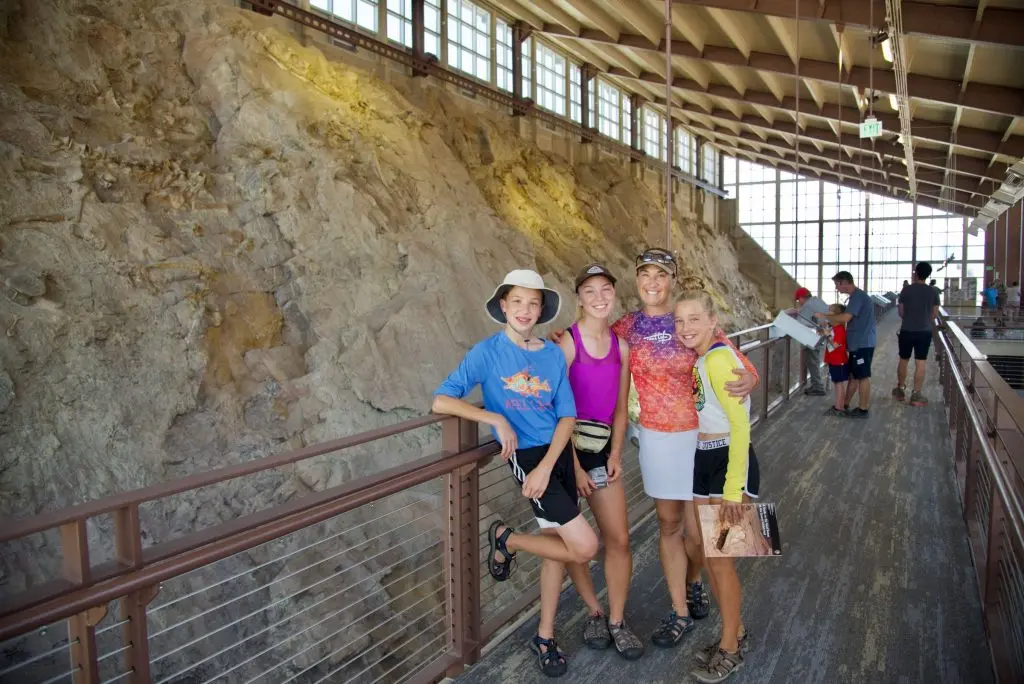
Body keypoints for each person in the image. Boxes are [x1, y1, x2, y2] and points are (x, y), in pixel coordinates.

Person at [550, 248, 758, 649]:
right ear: (637, 279)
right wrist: (556, 341)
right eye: (645, 274)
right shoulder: (627, 326)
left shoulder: (692, 318)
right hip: (658, 438)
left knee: (706, 539)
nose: (651, 282)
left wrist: (750, 378)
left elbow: (736, 361)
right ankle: (681, 608)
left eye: (660, 275)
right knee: (669, 526)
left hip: (704, 439)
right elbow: (593, 340)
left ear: (671, 280)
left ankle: (708, 595)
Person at [432, 269, 599, 678]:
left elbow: (566, 416)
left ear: (541, 309)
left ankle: (544, 635)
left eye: (533, 302)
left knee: (555, 547)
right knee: (585, 546)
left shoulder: (551, 354)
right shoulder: (486, 354)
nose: (525, 310)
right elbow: (441, 400)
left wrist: (555, 465)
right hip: (526, 457)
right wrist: (492, 416)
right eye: (517, 301)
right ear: (503, 306)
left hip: (556, 455)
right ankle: (508, 539)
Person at [556, 263, 644, 660]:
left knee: (619, 539)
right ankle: (594, 609)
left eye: (605, 289)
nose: (598, 298)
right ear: (579, 298)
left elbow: (622, 409)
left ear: (614, 294)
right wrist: (574, 466)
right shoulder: (568, 343)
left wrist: (615, 455)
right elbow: (557, 408)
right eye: (589, 291)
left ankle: (617, 619)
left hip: (602, 449)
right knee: (574, 542)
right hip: (567, 451)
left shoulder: (621, 347)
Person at [674, 289, 760, 683]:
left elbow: (741, 424)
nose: (685, 327)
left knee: (721, 561)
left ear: (713, 322)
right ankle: (734, 630)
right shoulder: (705, 357)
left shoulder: (721, 357)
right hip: (704, 458)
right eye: (680, 321)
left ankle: (731, 646)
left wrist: (733, 490)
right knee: (703, 551)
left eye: (694, 319)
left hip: (729, 462)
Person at [815, 271, 876, 418]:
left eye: (837, 284)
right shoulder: (855, 297)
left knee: (863, 376)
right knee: (855, 375)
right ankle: (843, 404)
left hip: (863, 343)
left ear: (844, 282)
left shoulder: (857, 297)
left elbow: (846, 317)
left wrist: (824, 316)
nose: (837, 288)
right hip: (858, 343)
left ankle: (863, 408)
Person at [893, 262, 940, 407]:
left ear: (916, 273)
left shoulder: (906, 290)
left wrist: (909, 318)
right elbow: (934, 314)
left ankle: (900, 390)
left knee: (904, 359)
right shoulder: (933, 292)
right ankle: (916, 394)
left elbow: (901, 312)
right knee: (921, 362)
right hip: (924, 332)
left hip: (907, 330)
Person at [788, 287, 828, 396]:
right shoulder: (816, 301)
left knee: (813, 361)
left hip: (815, 338)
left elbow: (802, 323)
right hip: (823, 335)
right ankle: (816, 385)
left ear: (802, 298)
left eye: (798, 300)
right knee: (814, 360)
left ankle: (818, 387)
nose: (798, 303)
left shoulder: (807, 306)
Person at [822, 303, 849, 417]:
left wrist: (827, 335)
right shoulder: (836, 327)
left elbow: (836, 344)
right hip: (835, 360)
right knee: (837, 383)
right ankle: (839, 406)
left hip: (838, 360)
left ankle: (839, 407)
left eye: (830, 311)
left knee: (839, 384)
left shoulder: (839, 329)